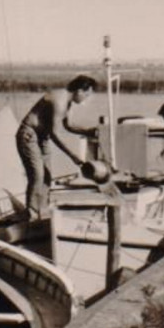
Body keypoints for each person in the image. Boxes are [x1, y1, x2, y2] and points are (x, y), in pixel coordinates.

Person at [16, 75, 98, 220]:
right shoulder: (59, 100)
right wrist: (73, 156)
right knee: (37, 175)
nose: (86, 99)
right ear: (79, 90)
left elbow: (69, 126)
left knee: (47, 177)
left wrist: (88, 131)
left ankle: (43, 211)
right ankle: (32, 214)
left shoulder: (67, 102)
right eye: (87, 94)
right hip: (29, 135)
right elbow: (55, 134)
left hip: (43, 137)